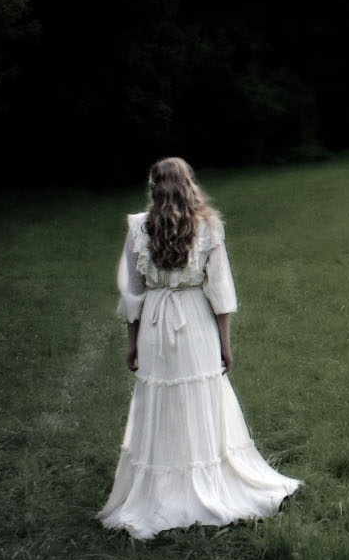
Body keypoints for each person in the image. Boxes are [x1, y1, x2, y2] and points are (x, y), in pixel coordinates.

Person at [100, 157, 301, 540]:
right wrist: (225, 345)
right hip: (196, 322)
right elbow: (220, 292)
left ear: (154, 186)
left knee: (161, 399)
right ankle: (201, 479)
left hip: (157, 324)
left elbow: (133, 293)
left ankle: (163, 487)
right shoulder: (208, 226)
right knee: (199, 397)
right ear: (189, 183)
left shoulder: (138, 227)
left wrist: (132, 342)